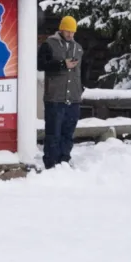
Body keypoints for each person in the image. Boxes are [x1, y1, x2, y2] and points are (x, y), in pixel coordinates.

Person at [40, 16, 84, 169]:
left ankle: (64, 161)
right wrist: (61, 64)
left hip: (73, 98)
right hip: (55, 97)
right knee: (53, 134)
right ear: (61, 29)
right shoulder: (49, 45)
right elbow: (40, 64)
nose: (71, 35)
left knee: (68, 133)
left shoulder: (78, 48)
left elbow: (80, 72)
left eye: (73, 32)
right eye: (68, 31)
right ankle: (51, 164)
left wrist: (80, 89)